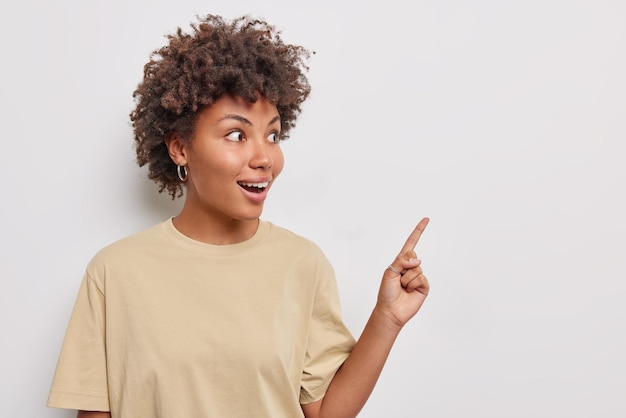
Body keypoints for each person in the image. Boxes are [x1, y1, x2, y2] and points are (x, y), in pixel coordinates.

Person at [46, 14, 430, 418]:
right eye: (236, 135)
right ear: (179, 147)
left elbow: (325, 413)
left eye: (273, 135)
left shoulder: (303, 265)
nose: (265, 158)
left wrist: (387, 318)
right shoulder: (114, 272)